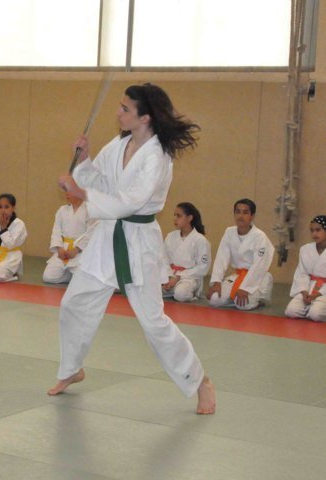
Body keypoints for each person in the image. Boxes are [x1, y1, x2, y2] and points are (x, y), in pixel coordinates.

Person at [50, 83, 215, 415]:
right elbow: (103, 183)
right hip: (107, 237)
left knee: (153, 322)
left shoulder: (157, 156)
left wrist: (81, 194)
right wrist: (84, 161)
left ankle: (199, 381)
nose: (118, 112)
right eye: (120, 106)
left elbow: (129, 202)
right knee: (74, 303)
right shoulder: (120, 143)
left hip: (138, 241)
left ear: (145, 117)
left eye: (125, 109)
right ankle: (72, 369)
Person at [207, 199, 274, 310]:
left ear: (252, 216)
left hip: (257, 276)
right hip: (238, 275)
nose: (240, 216)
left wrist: (246, 288)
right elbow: (221, 257)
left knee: (243, 304)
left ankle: (261, 295)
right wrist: (216, 281)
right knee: (214, 300)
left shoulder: (260, 236)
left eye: (245, 212)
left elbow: (259, 265)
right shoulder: (229, 232)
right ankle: (235, 297)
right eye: (237, 212)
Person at [43, 191, 97, 284]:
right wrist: (59, 248)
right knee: (48, 277)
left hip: (81, 252)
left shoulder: (90, 210)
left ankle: (76, 276)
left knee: (83, 281)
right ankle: (71, 276)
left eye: (69, 191)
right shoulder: (62, 210)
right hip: (64, 250)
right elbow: (56, 231)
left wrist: (76, 250)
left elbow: (91, 234)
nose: (66, 194)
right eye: (66, 191)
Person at [162, 202, 211, 302]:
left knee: (181, 294)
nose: (175, 218)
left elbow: (203, 267)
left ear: (189, 218)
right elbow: (164, 259)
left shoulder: (200, 240)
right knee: (150, 289)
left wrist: (179, 276)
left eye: (179, 216)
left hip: (189, 277)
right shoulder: (170, 236)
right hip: (171, 275)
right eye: (174, 215)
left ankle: (193, 292)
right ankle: (170, 288)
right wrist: (168, 275)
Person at [284, 215, 326, 321]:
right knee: (291, 311)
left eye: (318, 230)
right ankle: (311, 307)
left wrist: (318, 295)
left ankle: (314, 309)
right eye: (312, 230)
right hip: (309, 287)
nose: (314, 234)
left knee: (315, 315)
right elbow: (301, 273)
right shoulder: (305, 249)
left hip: (324, 291)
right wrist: (304, 291)